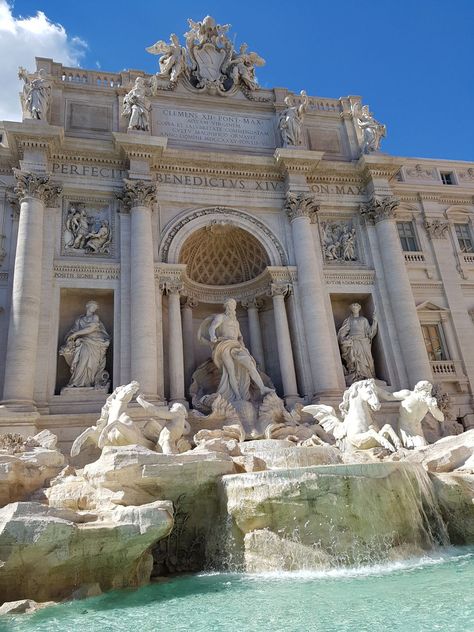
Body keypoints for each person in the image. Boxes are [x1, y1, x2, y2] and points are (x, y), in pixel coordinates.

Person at [202, 298, 273, 402]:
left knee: (250, 364)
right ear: (227, 306)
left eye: (234, 305)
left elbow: (239, 336)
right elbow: (212, 327)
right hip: (225, 345)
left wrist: (242, 345)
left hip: (237, 346)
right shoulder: (221, 317)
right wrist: (212, 335)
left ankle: (262, 388)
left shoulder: (236, 322)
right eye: (231, 305)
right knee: (231, 371)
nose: (233, 307)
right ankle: (237, 396)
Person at [60, 301, 110, 388]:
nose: (94, 309)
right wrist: (71, 337)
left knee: (92, 364)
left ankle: (89, 382)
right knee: (82, 361)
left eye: (95, 308)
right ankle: (77, 381)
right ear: (88, 307)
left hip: (95, 343)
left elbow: (91, 328)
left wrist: (76, 334)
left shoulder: (95, 317)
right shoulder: (79, 319)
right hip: (83, 342)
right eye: (93, 306)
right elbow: (74, 330)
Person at [337, 303, 377, 383]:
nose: (355, 309)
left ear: (359, 309)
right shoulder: (349, 320)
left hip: (364, 341)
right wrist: (346, 340)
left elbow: (370, 332)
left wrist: (375, 321)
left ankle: (368, 375)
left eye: (356, 307)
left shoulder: (364, 320)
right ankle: (358, 375)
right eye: (353, 308)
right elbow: (342, 333)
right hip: (354, 341)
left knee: (367, 359)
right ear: (352, 310)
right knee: (355, 358)